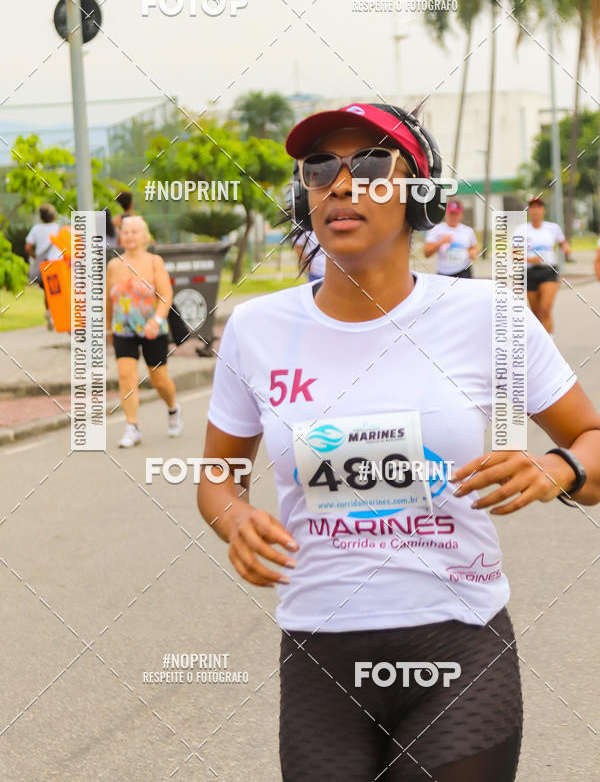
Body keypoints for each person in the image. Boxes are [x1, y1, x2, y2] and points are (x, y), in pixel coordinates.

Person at [196, 102, 600, 782]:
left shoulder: (487, 315)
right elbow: (215, 478)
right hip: (321, 651)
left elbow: (592, 438)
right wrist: (235, 517)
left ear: (421, 194)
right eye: (320, 167)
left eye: (372, 163)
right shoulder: (257, 329)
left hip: (460, 643)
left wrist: (557, 467)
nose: (341, 184)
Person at [106, 215, 182, 447]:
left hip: (152, 329)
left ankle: (172, 408)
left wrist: (157, 320)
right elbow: (108, 300)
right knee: (126, 376)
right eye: (126, 232)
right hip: (123, 329)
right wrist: (108, 326)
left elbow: (166, 294)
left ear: (144, 236)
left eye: (134, 231)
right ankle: (132, 426)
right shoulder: (114, 265)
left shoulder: (154, 261)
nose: (129, 236)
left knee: (159, 380)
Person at [518, 197, 571, 334]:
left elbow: (562, 242)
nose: (535, 210)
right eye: (532, 207)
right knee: (536, 315)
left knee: (545, 309)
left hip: (549, 271)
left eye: (538, 207)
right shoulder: (522, 229)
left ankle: (550, 343)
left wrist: (566, 248)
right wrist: (530, 259)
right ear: (529, 211)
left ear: (543, 210)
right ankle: (541, 345)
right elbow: (515, 253)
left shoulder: (553, 228)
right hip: (529, 273)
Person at [25, 203, 62, 330]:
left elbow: (28, 246)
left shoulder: (36, 229)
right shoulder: (58, 228)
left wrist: (36, 257)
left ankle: (49, 313)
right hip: (58, 264)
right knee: (59, 290)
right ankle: (59, 316)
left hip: (44, 265)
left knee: (48, 291)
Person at [423, 198, 478, 278]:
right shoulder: (436, 230)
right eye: (451, 213)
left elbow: (474, 247)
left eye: (456, 213)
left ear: (461, 214)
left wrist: (473, 252)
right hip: (444, 273)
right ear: (446, 213)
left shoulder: (468, 231)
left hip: (464, 271)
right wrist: (441, 242)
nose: (453, 216)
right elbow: (426, 253)